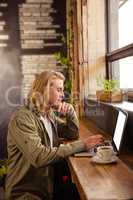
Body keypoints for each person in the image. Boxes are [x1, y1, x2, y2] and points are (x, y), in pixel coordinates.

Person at [5, 70, 103, 200]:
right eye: (59, 90)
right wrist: (83, 145)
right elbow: (39, 156)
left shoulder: (47, 114)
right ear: (44, 90)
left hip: (48, 186)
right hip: (26, 193)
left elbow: (72, 133)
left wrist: (70, 111)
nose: (63, 95)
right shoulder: (23, 118)